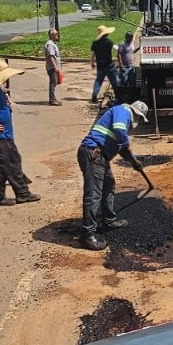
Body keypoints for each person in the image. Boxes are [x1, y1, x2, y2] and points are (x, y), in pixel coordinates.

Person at [76, 100, 149, 250]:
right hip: (93, 153)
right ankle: (87, 235)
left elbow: (122, 149)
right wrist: (127, 142)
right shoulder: (123, 111)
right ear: (135, 113)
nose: (137, 121)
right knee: (94, 194)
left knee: (108, 186)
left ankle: (108, 221)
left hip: (100, 156)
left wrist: (133, 161)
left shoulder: (121, 116)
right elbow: (119, 131)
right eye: (138, 118)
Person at [0, 59, 41, 206]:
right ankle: (2, 196)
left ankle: (21, 193)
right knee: (1, 166)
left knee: (12, 162)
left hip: (4, 136)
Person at [90, 25, 117, 102]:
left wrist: (92, 63)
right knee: (114, 80)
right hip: (109, 65)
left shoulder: (95, 43)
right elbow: (116, 48)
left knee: (98, 81)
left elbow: (92, 54)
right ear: (106, 34)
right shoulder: (109, 42)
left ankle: (94, 94)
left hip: (100, 65)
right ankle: (118, 94)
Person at [45, 28, 63, 106]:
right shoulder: (50, 44)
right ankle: (52, 100)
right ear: (51, 35)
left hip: (54, 67)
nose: (57, 35)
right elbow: (51, 56)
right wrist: (55, 67)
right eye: (56, 34)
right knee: (53, 83)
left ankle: (53, 98)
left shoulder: (53, 43)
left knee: (54, 82)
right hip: (52, 68)